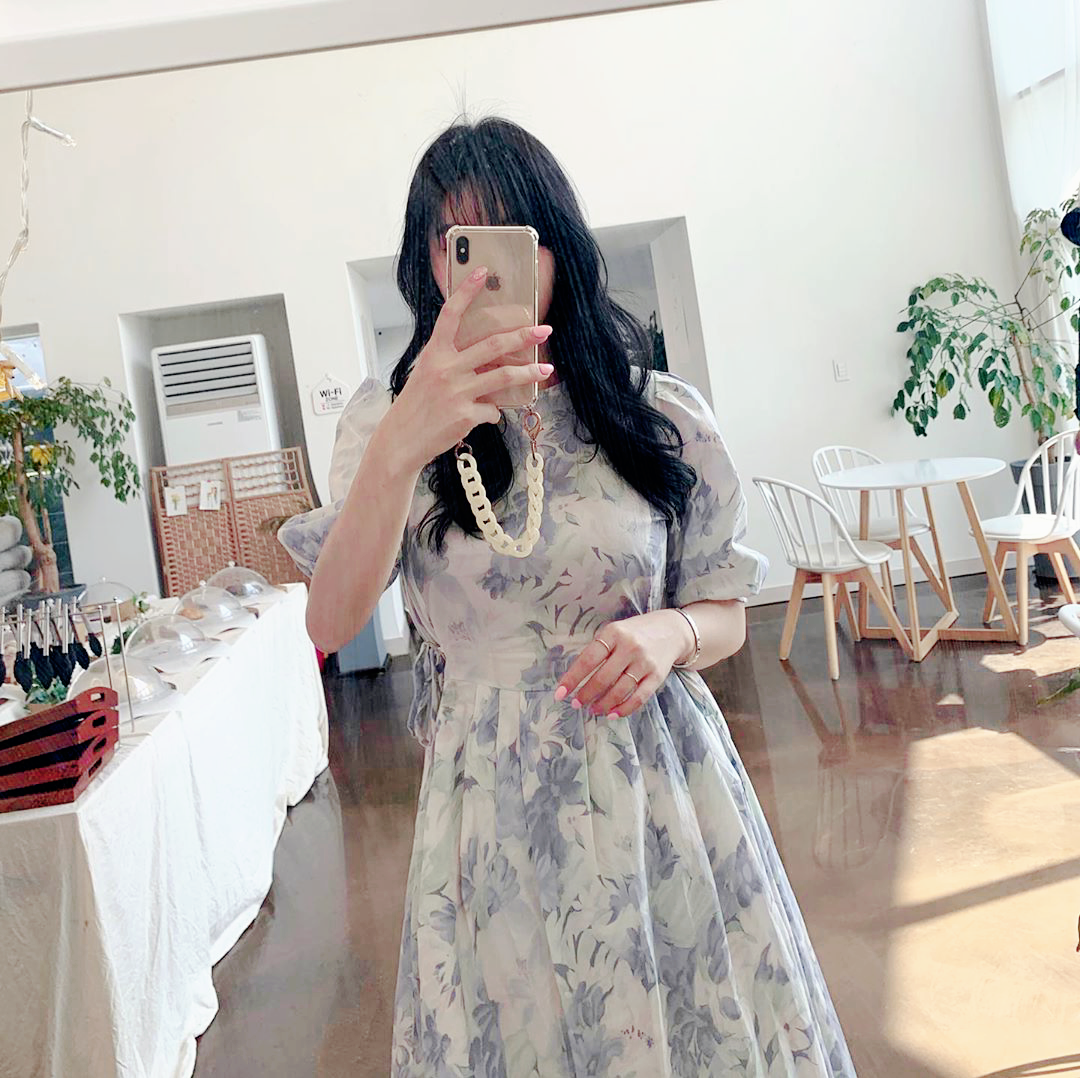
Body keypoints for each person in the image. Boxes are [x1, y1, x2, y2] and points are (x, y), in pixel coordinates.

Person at [279, 117, 856, 1077]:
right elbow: (330, 622)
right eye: (457, 244)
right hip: (488, 800)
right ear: (428, 265)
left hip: (658, 779)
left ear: (558, 248)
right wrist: (402, 443)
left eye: (513, 236)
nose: (485, 275)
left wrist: (670, 634)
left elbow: (724, 604)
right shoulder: (386, 424)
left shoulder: (653, 410)